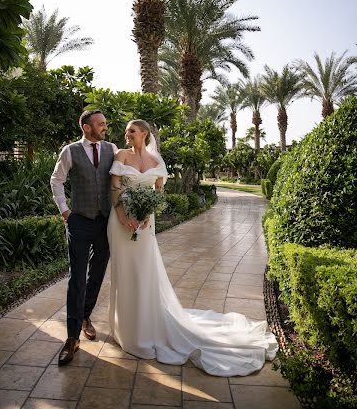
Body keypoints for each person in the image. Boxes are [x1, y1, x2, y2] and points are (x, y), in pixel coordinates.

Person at [108, 119, 278, 377]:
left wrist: (145, 216)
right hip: (121, 221)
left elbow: (158, 193)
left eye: (132, 130)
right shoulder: (121, 155)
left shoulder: (157, 162)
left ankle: (146, 324)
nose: (126, 134)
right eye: (126, 131)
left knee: (144, 271)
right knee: (124, 271)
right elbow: (115, 187)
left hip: (144, 223)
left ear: (144, 133)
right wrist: (123, 217)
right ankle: (127, 329)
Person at [50, 109, 117, 365]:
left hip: (104, 223)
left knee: (97, 272)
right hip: (78, 221)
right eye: (100, 124)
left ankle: (86, 315)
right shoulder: (70, 151)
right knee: (76, 278)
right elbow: (56, 180)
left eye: (105, 123)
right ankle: (71, 338)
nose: (104, 127)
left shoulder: (112, 148)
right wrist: (65, 210)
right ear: (86, 127)